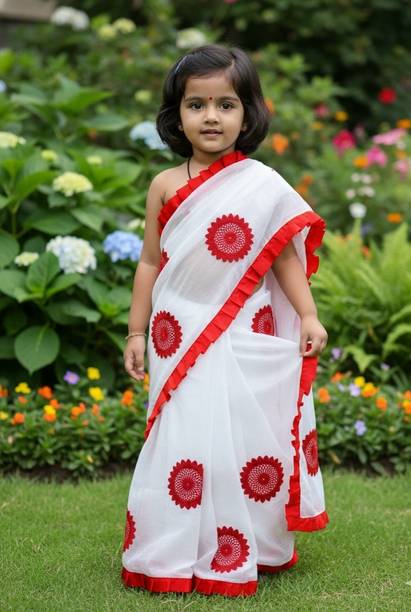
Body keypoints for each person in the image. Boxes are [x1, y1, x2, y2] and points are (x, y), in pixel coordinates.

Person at [121, 43, 329, 598]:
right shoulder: (165, 184)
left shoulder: (262, 184)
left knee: (237, 439)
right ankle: (171, 551)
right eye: (197, 104)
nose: (211, 117)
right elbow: (150, 262)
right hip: (178, 330)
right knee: (184, 437)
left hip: (241, 328)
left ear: (248, 113)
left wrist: (308, 315)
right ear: (176, 115)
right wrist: (136, 331)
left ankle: (239, 547)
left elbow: (283, 257)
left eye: (226, 104)